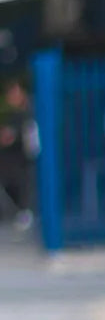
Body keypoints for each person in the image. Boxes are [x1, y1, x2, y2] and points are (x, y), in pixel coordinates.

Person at [0, 80, 34, 230]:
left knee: (20, 181)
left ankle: (25, 211)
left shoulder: (29, 112)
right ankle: (22, 211)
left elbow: (20, 134)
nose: (11, 97)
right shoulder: (15, 115)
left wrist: (10, 136)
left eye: (14, 93)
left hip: (24, 157)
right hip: (15, 156)